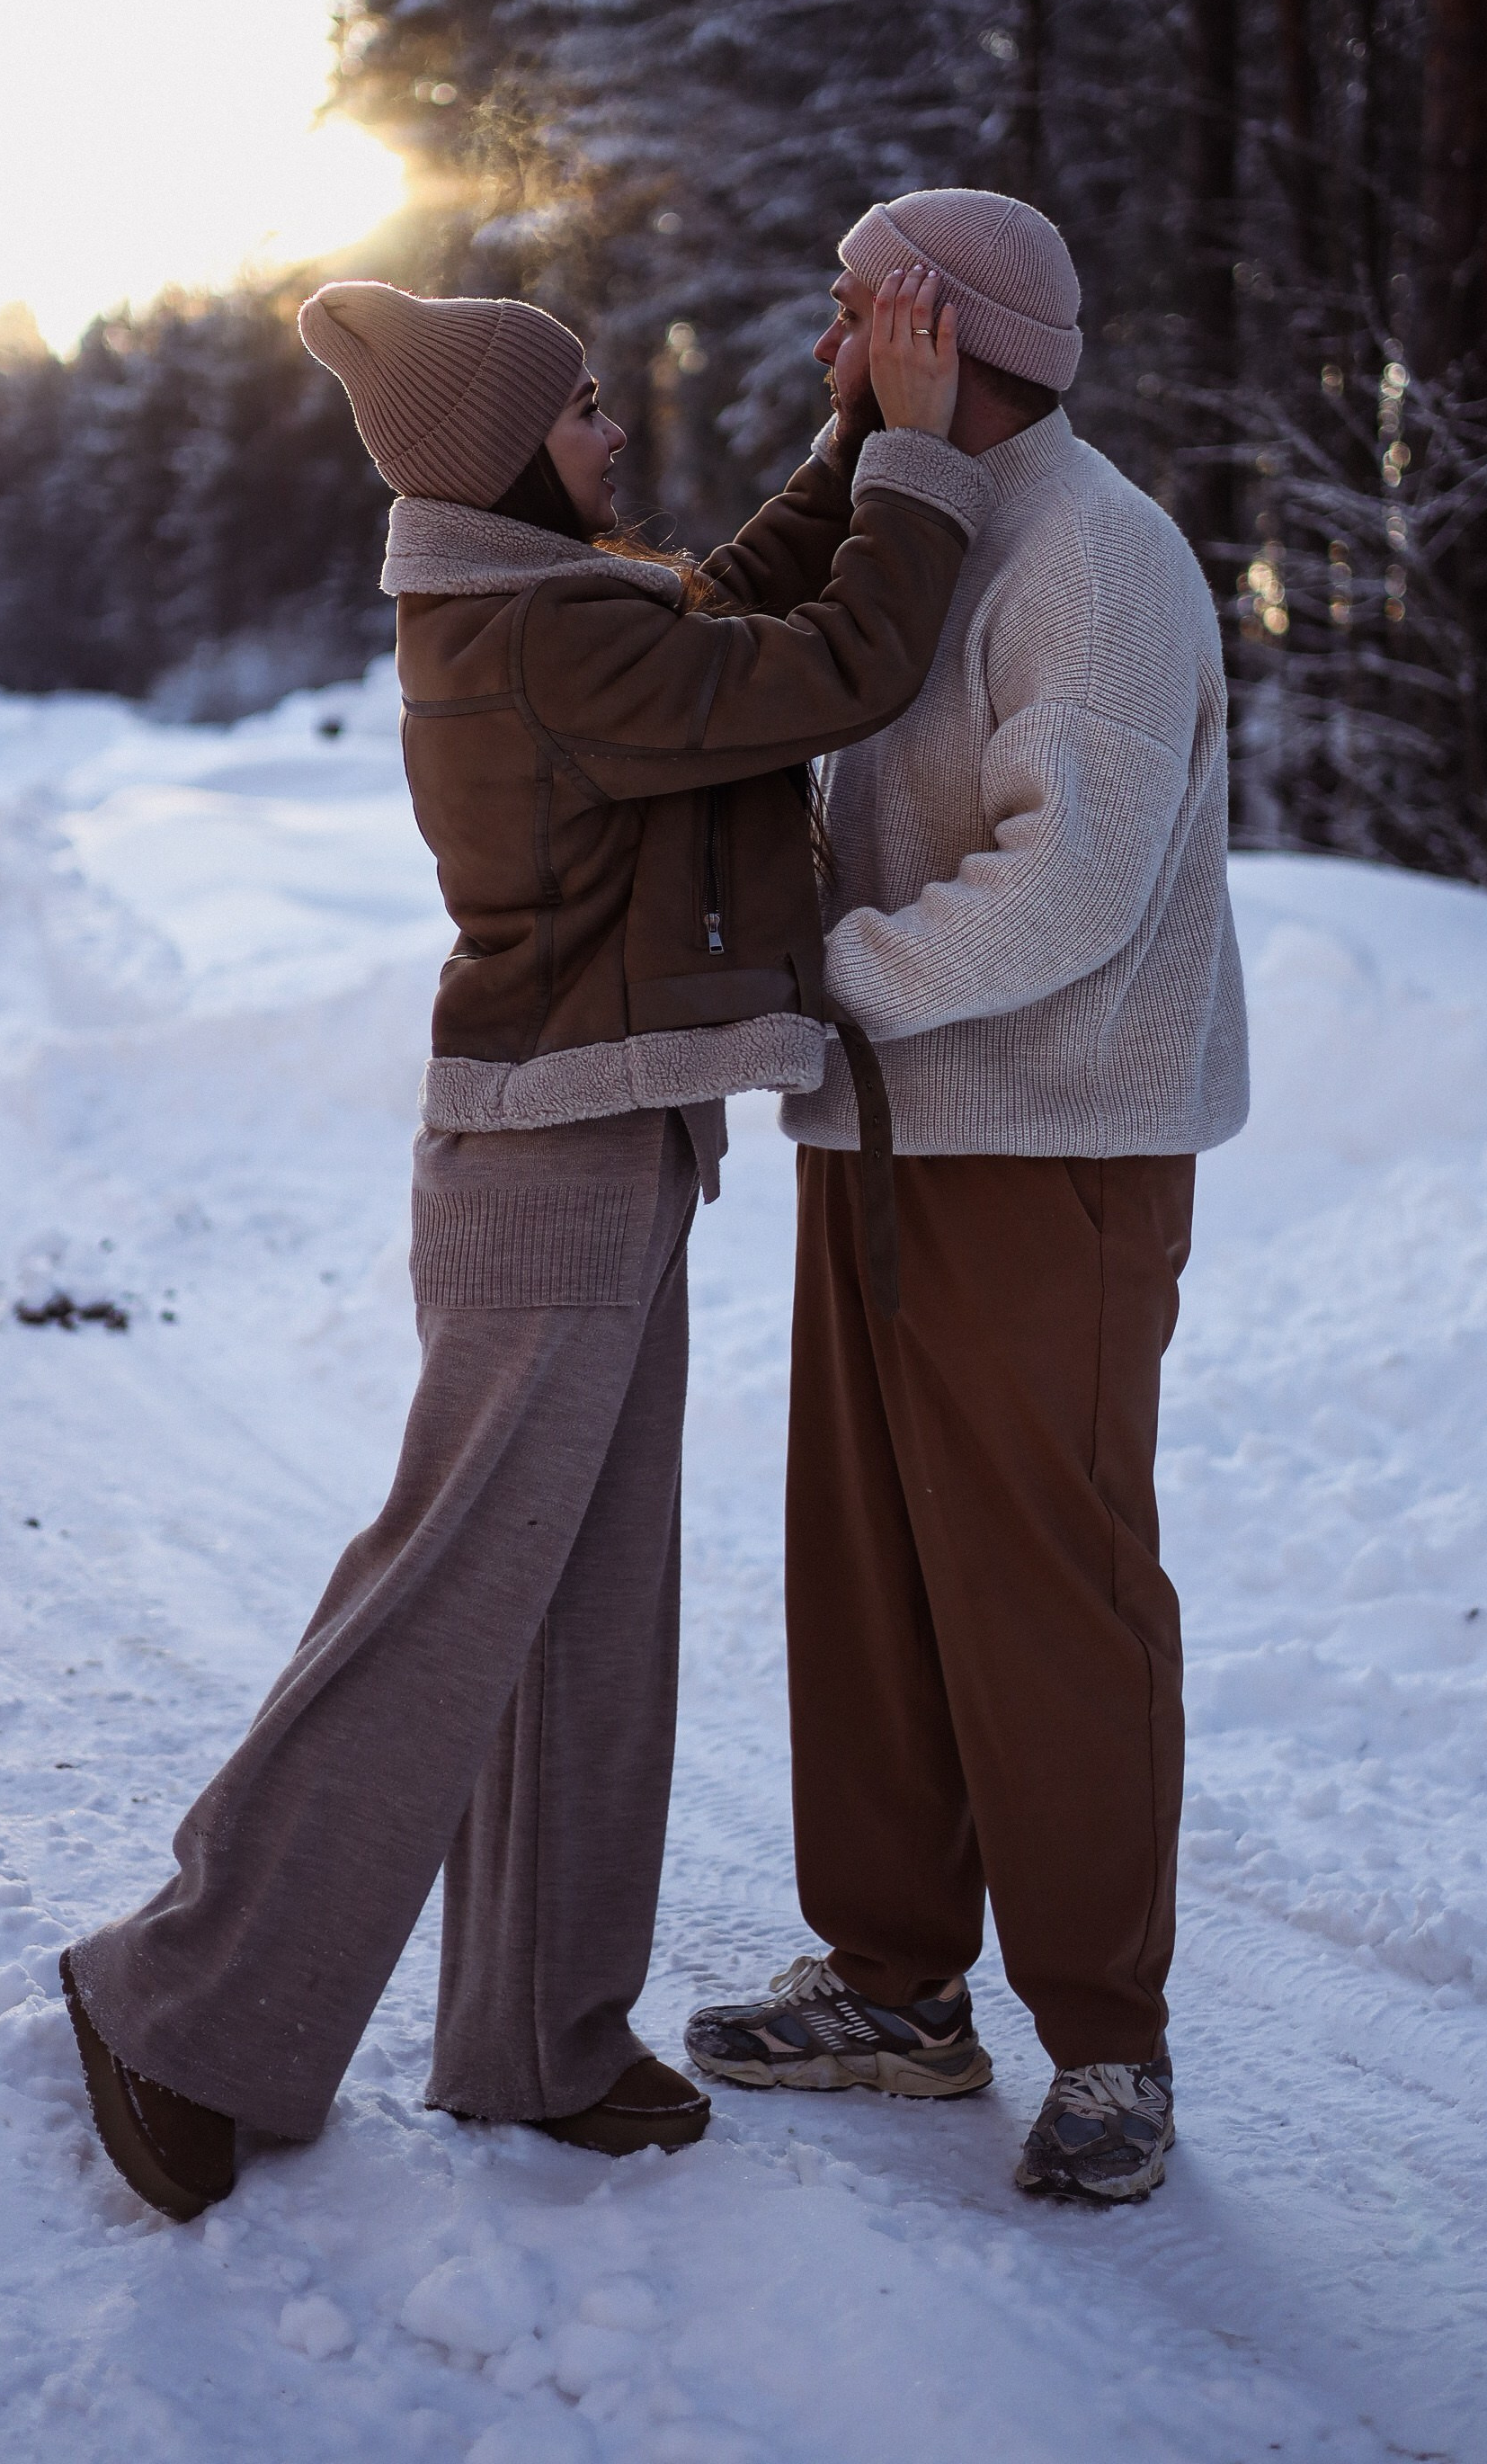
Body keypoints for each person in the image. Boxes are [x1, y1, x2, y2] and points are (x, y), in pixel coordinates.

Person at [58, 263, 989, 2220]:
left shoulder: (555, 609)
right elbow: (827, 671)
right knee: (452, 1598)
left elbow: (727, 606)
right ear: (505, 463)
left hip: (604, 1140)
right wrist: (910, 455)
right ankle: (179, 2002)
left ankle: (536, 2039)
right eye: (577, 411)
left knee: (584, 1597)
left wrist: (844, 446)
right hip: (543, 1170)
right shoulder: (543, 639)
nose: (610, 430)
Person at [683, 188, 1250, 2206]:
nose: (823, 348)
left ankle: (1107, 2042)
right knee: (869, 1577)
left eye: (855, 312)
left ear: (944, 322)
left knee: (1047, 1594)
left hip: (1053, 1147)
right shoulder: (910, 514)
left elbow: (1069, 887)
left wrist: (819, 984)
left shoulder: (1097, 558)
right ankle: (897, 1992)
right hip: (890, 1136)